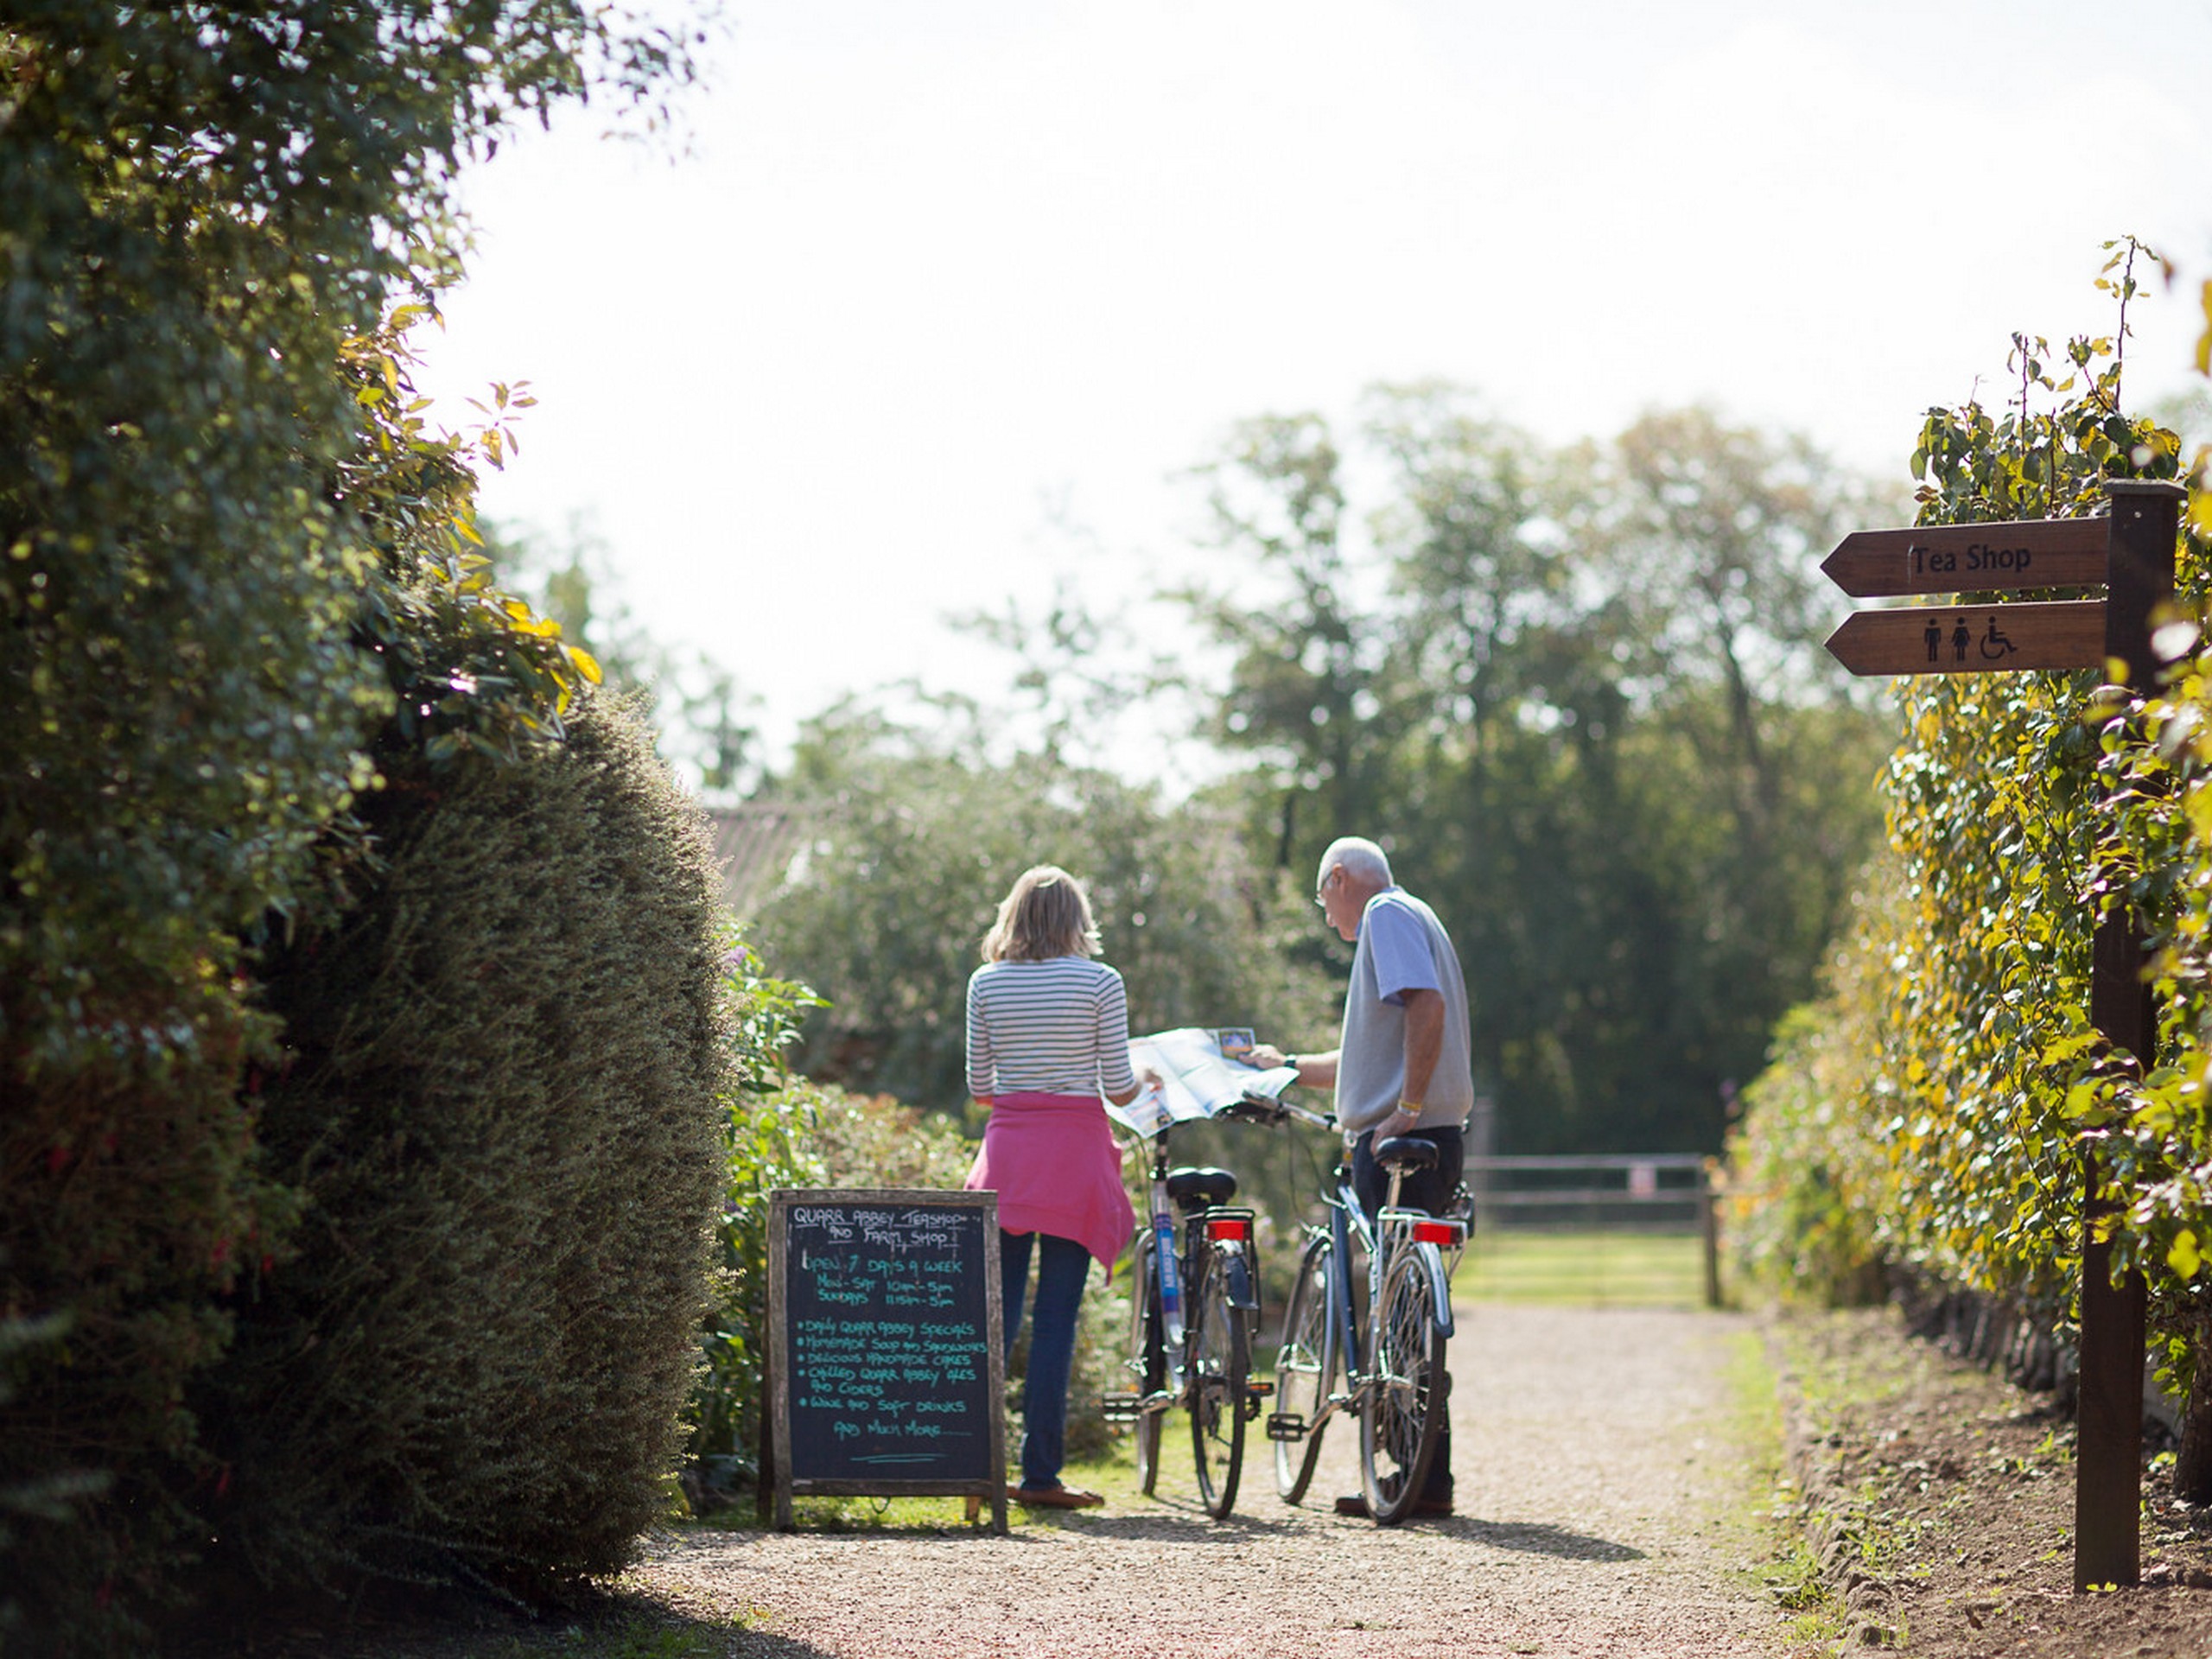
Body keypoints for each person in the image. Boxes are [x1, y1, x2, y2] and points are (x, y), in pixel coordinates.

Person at [1249, 835, 1474, 1519]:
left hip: (1399, 1141)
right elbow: (1365, 1057)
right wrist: (1285, 1066)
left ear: (1341, 878)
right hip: (1430, 1136)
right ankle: (1426, 1476)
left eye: (1323, 898)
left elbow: (1425, 1007)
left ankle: (1413, 1472)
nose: (1326, 916)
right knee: (1408, 1313)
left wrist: (1402, 1111)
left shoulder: (1384, 916)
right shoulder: (1415, 916)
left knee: (1394, 1311)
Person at [963, 864, 1143, 1510]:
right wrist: (1145, 1078)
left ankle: (976, 1466)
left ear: (1013, 914)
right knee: (1055, 1322)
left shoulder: (986, 982)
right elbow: (1119, 1085)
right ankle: (1040, 1477)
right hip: (1073, 1157)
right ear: (1077, 919)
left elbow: (981, 1087)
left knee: (997, 1317)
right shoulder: (1101, 982)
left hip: (1010, 1156)